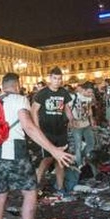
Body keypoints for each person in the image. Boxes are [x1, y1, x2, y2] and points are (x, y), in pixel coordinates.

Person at [0, 73, 75, 219]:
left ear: (3, 86)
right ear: (17, 85)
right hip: (16, 153)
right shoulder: (20, 100)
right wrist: (53, 149)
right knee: (30, 192)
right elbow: (28, 126)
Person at [31, 66, 74, 194]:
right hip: (46, 132)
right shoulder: (42, 93)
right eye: (55, 78)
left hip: (61, 131)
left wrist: (71, 119)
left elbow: (66, 108)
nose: (57, 81)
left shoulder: (63, 92)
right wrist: (37, 128)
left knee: (60, 160)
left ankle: (60, 187)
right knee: (47, 159)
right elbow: (34, 110)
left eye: (59, 79)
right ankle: (36, 185)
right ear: (50, 78)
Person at [70, 82, 96, 168]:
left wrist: (91, 119)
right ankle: (79, 165)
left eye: (91, 92)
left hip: (86, 124)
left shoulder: (88, 98)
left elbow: (89, 109)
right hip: (77, 125)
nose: (90, 94)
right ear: (83, 90)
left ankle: (85, 157)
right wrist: (71, 120)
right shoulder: (74, 97)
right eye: (89, 92)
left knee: (91, 143)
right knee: (78, 145)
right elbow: (66, 109)